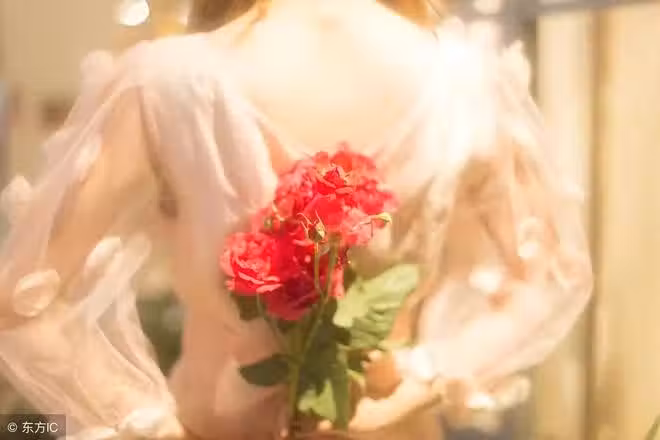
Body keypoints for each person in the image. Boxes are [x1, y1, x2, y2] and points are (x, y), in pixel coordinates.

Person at [0, 0, 593, 439]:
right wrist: (427, 374)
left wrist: (142, 420)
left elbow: (20, 302)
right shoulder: (465, 82)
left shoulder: (168, 83)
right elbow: (553, 276)